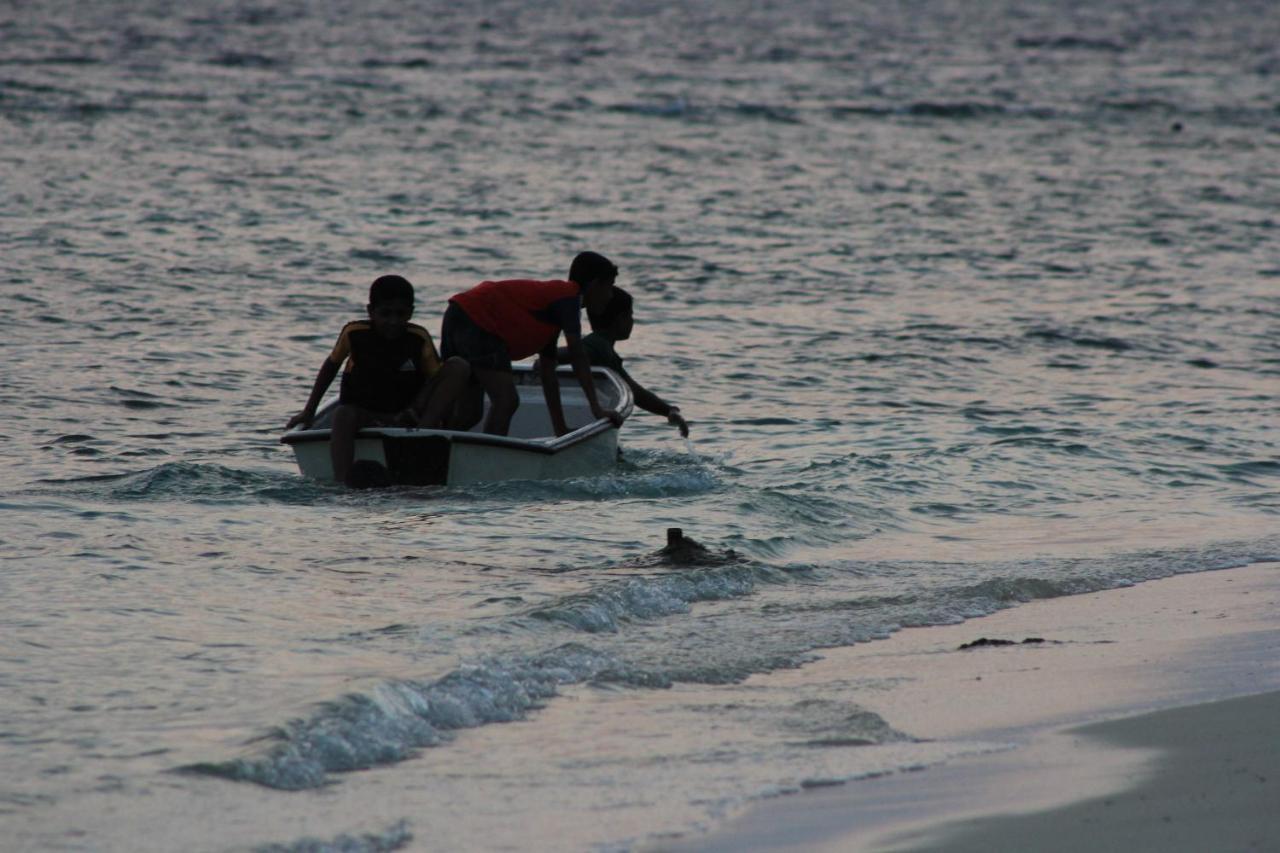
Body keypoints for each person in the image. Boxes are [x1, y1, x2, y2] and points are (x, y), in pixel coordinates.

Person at [286, 275, 470, 485]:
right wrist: (309, 411)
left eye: (400, 314)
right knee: (343, 414)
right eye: (385, 314)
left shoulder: (418, 337)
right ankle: (342, 482)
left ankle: (424, 436)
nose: (393, 321)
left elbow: (436, 379)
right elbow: (331, 366)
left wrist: (422, 412)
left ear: (411, 312)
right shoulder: (354, 333)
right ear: (371, 311)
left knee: (458, 366)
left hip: (406, 414)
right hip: (366, 413)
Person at [441, 251, 624, 436]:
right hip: (475, 320)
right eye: (609, 287)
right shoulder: (569, 297)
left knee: (470, 414)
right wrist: (596, 409)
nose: (610, 296)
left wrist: (559, 428)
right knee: (506, 400)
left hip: (458, 314)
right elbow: (578, 356)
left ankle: (436, 446)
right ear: (594, 285)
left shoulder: (552, 311)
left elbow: (548, 376)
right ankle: (491, 458)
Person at [553, 287, 689, 437]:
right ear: (620, 319)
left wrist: (667, 410)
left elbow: (631, 389)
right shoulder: (599, 345)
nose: (632, 321)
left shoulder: (603, 347)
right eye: (630, 315)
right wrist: (551, 358)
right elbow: (572, 352)